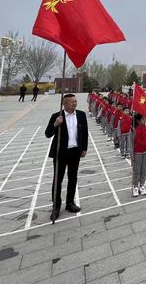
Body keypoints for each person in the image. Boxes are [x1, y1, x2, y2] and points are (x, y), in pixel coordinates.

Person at [45, 93, 88, 221]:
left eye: (75, 101)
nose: (74, 103)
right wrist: (55, 124)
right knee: (58, 180)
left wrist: (84, 147)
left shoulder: (81, 115)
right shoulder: (56, 116)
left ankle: (70, 203)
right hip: (61, 152)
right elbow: (48, 134)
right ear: (65, 104)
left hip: (75, 152)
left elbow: (84, 132)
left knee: (73, 178)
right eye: (72, 102)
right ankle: (56, 206)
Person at [131, 113, 146, 197]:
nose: (145, 121)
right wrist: (131, 154)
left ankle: (142, 185)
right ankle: (135, 186)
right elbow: (131, 143)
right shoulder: (133, 130)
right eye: (143, 119)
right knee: (136, 170)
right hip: (137, 153)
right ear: (138, 121)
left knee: (144, 170)